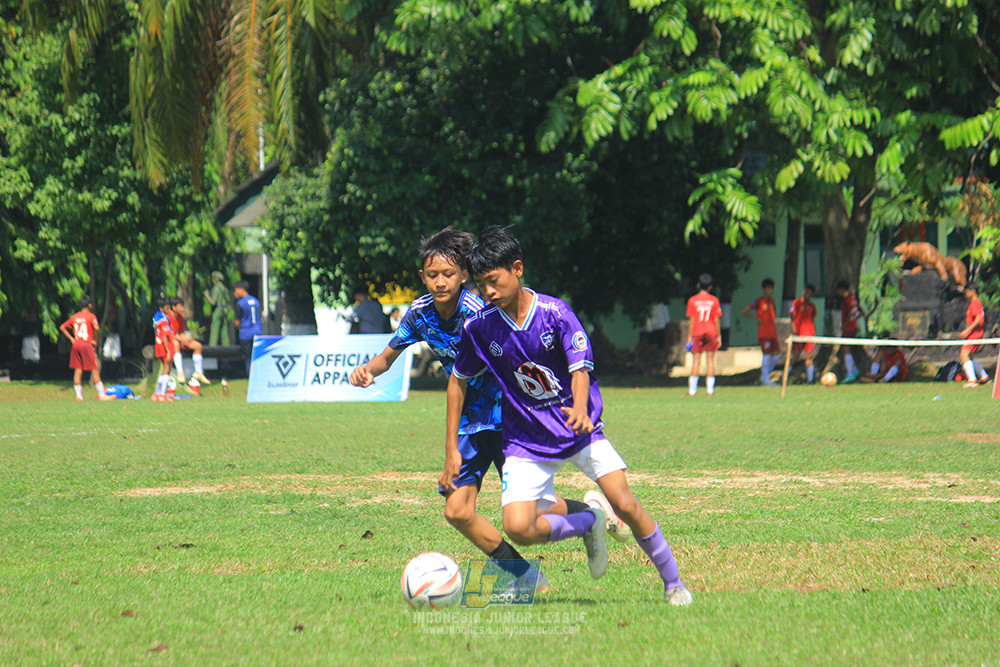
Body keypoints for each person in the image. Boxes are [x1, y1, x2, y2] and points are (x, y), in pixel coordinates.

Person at [349, 227, 624, 591]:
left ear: (465, 275)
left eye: (449, 274)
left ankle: (590, 516)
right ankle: (525, 575)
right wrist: (368, 369)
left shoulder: (482, 311)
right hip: (470, 424)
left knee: (536, 508)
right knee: (457, 511)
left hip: (511, 420)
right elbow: (388, 356)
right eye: (432, 275)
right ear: (422, 277)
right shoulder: (419, 314)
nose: (440, 282)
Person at [448, 225, 692, 607]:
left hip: (580, 430)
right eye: (480, 285)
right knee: (519, 528)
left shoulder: (554, 312)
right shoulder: (480, 328)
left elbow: (580, 369)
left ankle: (674, 584)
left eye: (493, 281)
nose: (487, 292)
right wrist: (451, 449)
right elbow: (457, 382)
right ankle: (589, 521)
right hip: (526, 440)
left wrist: (579, 410)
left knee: (625, 503)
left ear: (517, 268)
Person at [59, 295, 112, 401]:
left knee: (78, 370)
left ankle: (79, 396)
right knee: (94, 369)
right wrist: (95, 340)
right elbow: (96, 328)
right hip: (86, 344)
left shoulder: (74, 317)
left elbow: (62, 327)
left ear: (80, 305)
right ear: (90, 305)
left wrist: (71, 339)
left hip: (76, 344)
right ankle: (101, 395)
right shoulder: (91, 316)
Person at [685, 274, 722, 396]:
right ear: (710, 287)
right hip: (711, 331)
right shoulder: (714, 300)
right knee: (710, 360)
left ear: (698, 285)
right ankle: (710, 390)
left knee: (696, 361)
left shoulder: (693, 300)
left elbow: (692, 320)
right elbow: (716, 319)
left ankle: (692, 391)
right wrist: (718, 335)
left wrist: (689, 336)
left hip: (697, 332)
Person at [742, 278, 780, 386]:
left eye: (772, 289)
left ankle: (765, 375)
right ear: (763, 289)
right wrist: (756, 318)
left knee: (777, 355)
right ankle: (766, 380)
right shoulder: (759, 301)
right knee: (766, 354)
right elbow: (744, 311)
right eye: (768, 289)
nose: (770, 291)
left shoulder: (772, 301)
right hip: (764, 333)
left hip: (772, 332)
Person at [167, 298, 211, 385]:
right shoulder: (167, 318)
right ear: (174, 307)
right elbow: (169, 335)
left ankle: (199, 372)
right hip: (170, 341)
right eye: (180, 306)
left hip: (178, 339)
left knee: (197, 345)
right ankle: (180, 372)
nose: (182, 308)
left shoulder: (180, 317)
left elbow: (181, 332)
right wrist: (181, 339)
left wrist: (187, 338)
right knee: (175, 343)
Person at [959, 282, 990, 388]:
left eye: (966, 292)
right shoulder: (975, 303)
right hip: (976, 333)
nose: (965, 295)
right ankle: (984, 377)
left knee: (964, 354)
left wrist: (967, 330)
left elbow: (977, 320)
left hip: (974, 333)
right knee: (970, 356)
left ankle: (972, 379)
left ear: (972, 291)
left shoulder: (975, 303)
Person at [790, 284, 818, 384]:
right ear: (804, 292)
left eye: (810, 294)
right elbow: (792, 318)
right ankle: (784, 377)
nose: (808, 295)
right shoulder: (797, 303)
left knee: (809, 357)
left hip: (809, 334)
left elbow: (813, 319)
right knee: (795, 356)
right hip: (799, 334)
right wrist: (794, 331)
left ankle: (810, 380)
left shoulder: (812, 306)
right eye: (807, 293)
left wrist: (814, 332)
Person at [835, 280, 862, 383]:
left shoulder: (846, 301)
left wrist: (844, 325)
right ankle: (854, 370)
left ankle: (851, 373)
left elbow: (850, 314)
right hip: (853, 327)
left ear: (842, 290)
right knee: (848, 349)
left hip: (848, 328)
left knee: (846, 349)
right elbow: (860, 312)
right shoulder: (853, 299)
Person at [234, 281, 263, 375]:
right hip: (257, 332)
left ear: (242, 290)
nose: (235, 293)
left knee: (248, 358)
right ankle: (258, 375)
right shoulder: (256, 301)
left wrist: (240, 329)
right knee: (257, 357)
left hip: (245, 333)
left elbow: (237, 321)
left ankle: (250, 376)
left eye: (236, 291)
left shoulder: (240, 303)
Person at [152, 297, 176, 397]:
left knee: (165, 368)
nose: (169, 310)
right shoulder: (163, 321)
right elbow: (165, 336)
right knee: (167, 367)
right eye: (167, 308)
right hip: (165, 346)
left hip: (159, 345)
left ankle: (157, 392)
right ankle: (162, 393)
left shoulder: (157, 317)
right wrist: (168, 351)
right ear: (161, 308)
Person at [203, 271, 231, 346]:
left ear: (216, 279)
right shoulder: (225, 289)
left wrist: (207, 295)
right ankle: (227, 346)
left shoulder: (216, 288)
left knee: (214, 327)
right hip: (225, 310)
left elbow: (213, 302)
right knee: (224, 329)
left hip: (218, 310)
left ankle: (212, 345)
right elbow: (228, 300)